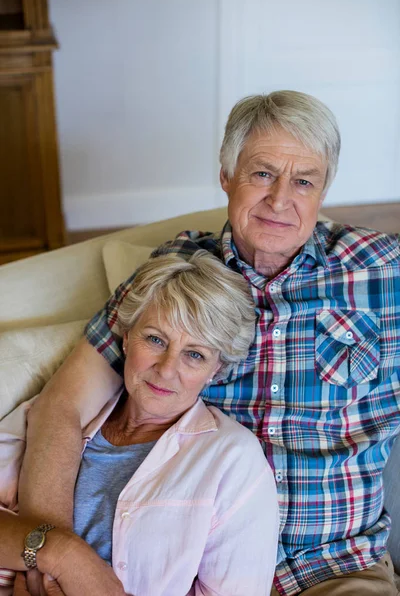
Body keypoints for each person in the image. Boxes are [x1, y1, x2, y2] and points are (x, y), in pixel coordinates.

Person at [16, 90, 400, 596]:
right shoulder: (177, 274)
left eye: (303, 181)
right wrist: (52, 557)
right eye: (262, 173)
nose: (280, 199)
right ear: (226, 175)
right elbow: (61, 406)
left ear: (323, 190)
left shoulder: (379, 272)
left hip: (333, 567)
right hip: (183, 568)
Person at [0, 252, 279, 596]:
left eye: (194, 355)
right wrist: (60, 554)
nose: (165, 369)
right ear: (126, 337)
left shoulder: (234, 460)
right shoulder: (57, 417)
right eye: (155, 339)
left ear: (216, 371)